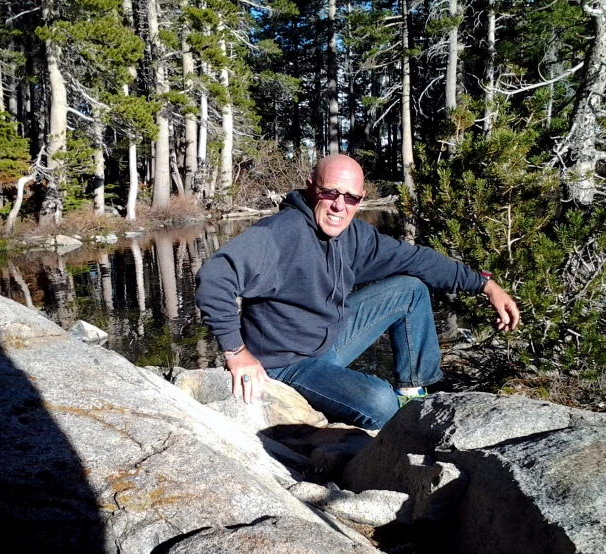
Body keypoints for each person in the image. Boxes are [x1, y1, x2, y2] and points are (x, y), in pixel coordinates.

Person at [194, 154, 520, 429]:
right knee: (379, 402)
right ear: (311, 189)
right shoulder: (279, 235)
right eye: (330, 193)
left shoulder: (355, 237)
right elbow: (214, 277)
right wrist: (237, 354)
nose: (339, 205)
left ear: (361, 199)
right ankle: (394, 418)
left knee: (409, 290)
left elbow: (416, 260)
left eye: (350, 197)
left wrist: (484, 284)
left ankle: (413, 391)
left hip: (329, 337)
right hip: (286, 362)